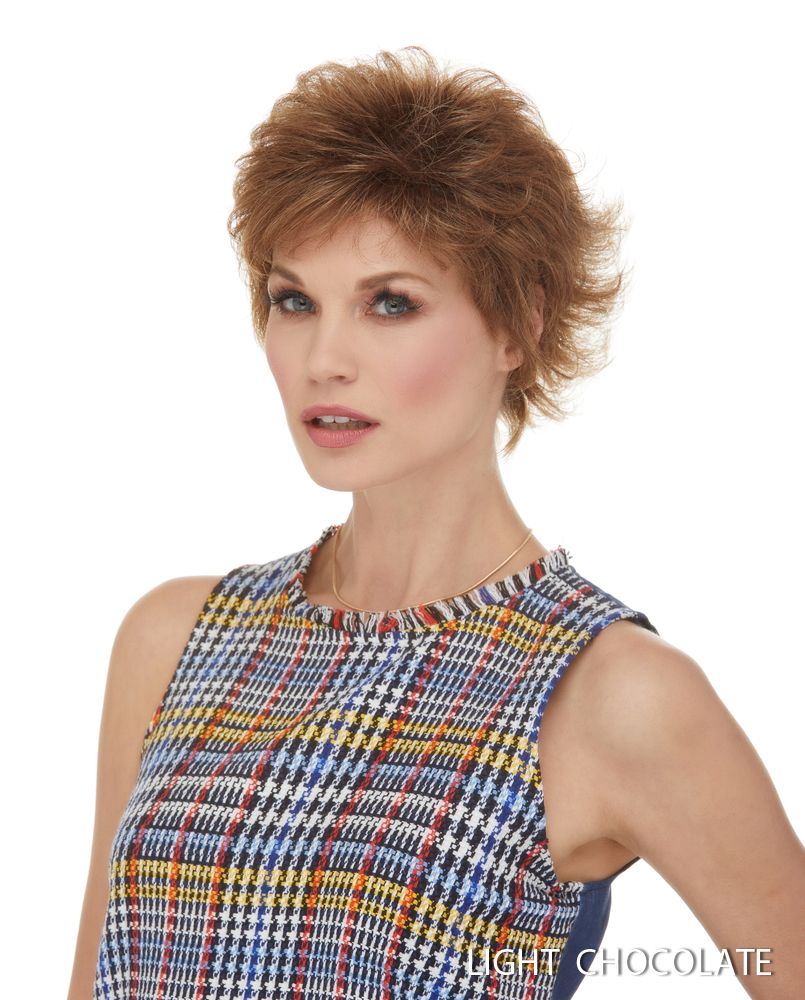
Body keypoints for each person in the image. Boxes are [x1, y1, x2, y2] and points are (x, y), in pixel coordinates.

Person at [69, 46, 805, 1000]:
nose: (323, 359)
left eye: (390, 303)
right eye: (294, 301)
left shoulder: (608, 693)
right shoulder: (175, 638)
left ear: (519, 323)